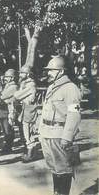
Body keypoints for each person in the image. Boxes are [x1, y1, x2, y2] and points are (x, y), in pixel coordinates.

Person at [39, 56, 82, 195]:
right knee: (54, 167)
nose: (48, 73)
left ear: (61, 71)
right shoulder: (52, 86)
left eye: (52, 70)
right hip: (47, 133)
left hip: (59, 134)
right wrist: (40, 130)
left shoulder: (71, 88)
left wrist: (67, 137)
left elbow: (74, 114)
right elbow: (46, 109)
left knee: (63, 168)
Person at [14, 65, 38, 163]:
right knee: (25, 131)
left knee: (28, 131)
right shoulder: (24, 83)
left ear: (28, 74)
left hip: (29, 109)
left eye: (22, 73)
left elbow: (18, 95)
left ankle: (31, 153)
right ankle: (29, 151)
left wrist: (17, 94)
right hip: (25, 108)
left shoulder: (30, 84)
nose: (20, 74)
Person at [0, 69, 19, 154]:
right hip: (3, 109)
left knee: (8, 129)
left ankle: (8, 147)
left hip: (8, 109)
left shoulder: (13, 87)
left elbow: (2, 96)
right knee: (4, 129)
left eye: (7, 77)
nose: (5, 78)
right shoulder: (6, 85)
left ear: (12, 78)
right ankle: (7, 146)